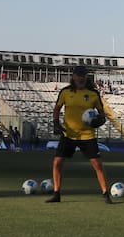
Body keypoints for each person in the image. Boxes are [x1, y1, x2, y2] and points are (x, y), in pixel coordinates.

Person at [46, 66, 112, 204]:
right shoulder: (65, 92)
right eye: (78, 75)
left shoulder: (93, 94)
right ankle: (57, 193)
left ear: (86, 77)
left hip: (87, 135)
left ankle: (106, 193)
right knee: (57, 162)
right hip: (68, 134)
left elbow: (102, 114)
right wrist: (56, 123)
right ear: (73, 76)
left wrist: (98, 121)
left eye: (83, 75)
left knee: (97, 165)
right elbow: (57, 108)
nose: (81, 78)